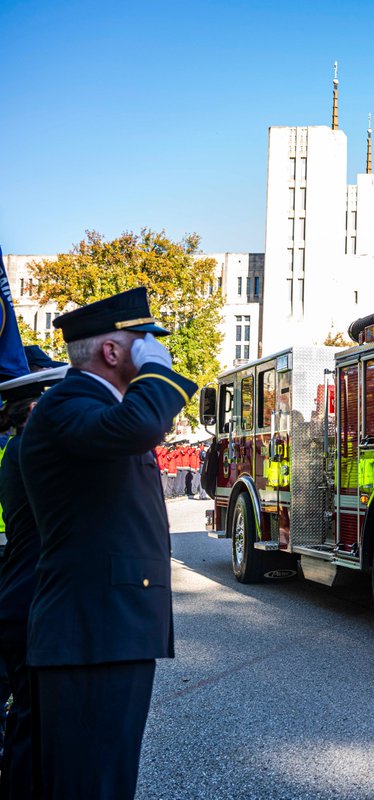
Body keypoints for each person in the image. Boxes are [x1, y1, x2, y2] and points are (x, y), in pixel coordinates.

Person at [21, 287, 197, 800]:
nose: (153, 348)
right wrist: (157, 371)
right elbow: (141, 424)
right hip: (91, 632)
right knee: (90, 785)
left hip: (106, 629)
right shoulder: (68, 404)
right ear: (114, 351)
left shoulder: (97, 409)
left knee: (105, 779)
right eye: (142, 340)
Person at [0, 365, 68, 798]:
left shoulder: (19, 449)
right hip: (29, 606)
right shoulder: (32, 451)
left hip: (19, 599)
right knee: (33, 723)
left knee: (28, 720)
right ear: (37, 407)